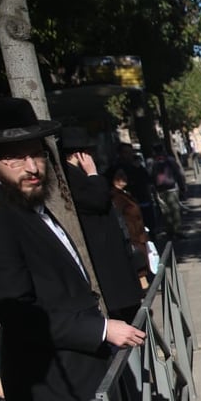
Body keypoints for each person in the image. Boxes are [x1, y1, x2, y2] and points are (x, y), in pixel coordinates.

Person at [0, 97, 146, 401]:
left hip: (80, 380)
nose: (31, 167)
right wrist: (101, 330)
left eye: (37, 155)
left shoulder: (32, 211)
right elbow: (18, 313)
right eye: (15, 158)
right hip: (55, 392)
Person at [61, 127, 145, 323]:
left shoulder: (75, 174)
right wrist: (92, 174)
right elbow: (97, 200)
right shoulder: (73, 176)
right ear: (80, 155)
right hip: (103, 252)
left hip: (110, 249)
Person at [109, 167, 154, 291]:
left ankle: (146, 287)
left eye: (124, 175)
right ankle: (144, 290)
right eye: (119, 176)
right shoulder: (115, 196)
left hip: (138, 233)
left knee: (144, 263)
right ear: (113, 179)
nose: (123, 179)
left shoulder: (125, 194)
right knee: (140, 265)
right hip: (132, 235)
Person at [149, 142, 185, 240]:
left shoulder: (152, 162)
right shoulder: (170, 160)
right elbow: (178, 174)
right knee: (175, 210)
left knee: (165, 212)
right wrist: (182, 187)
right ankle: (178, 231)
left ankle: (170, 232)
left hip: (159, 190)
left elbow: (150, 177)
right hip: (172, 188)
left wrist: (153, 190)